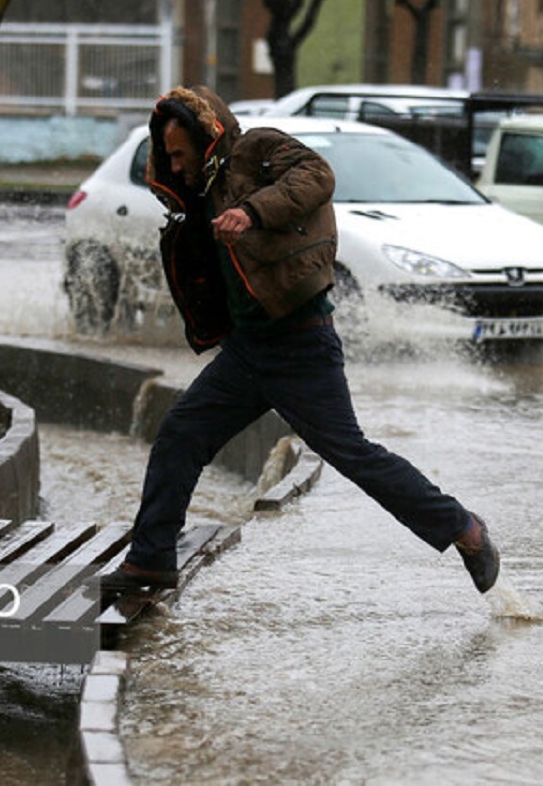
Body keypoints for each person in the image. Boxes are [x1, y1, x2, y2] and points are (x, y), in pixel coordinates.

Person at [100, 85, 500, 596]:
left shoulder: (258, 148)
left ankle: (465, 530)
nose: (175, 167)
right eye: (168, 158)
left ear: (205, 138)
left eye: (180, 155)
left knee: (353, 455)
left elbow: (318, 176)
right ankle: (151, 562)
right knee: (181, 435)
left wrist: (252, 211)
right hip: (247, 351)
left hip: (302, 344)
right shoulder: (199, 196)